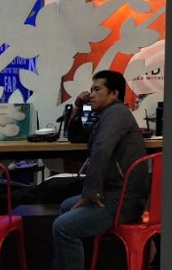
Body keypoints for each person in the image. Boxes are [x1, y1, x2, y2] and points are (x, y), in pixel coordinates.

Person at [53, 70, 147, 270]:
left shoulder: (117, 114)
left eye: (97, 89)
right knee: (65, 207)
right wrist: (78, 107)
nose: (92, 94)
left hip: (122, 201)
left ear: (114, 94)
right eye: (91, 90)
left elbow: (101, 149)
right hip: (112, 194)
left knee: (63, 227)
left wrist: (92, 192)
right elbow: (76, 137)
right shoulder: (106, 115)